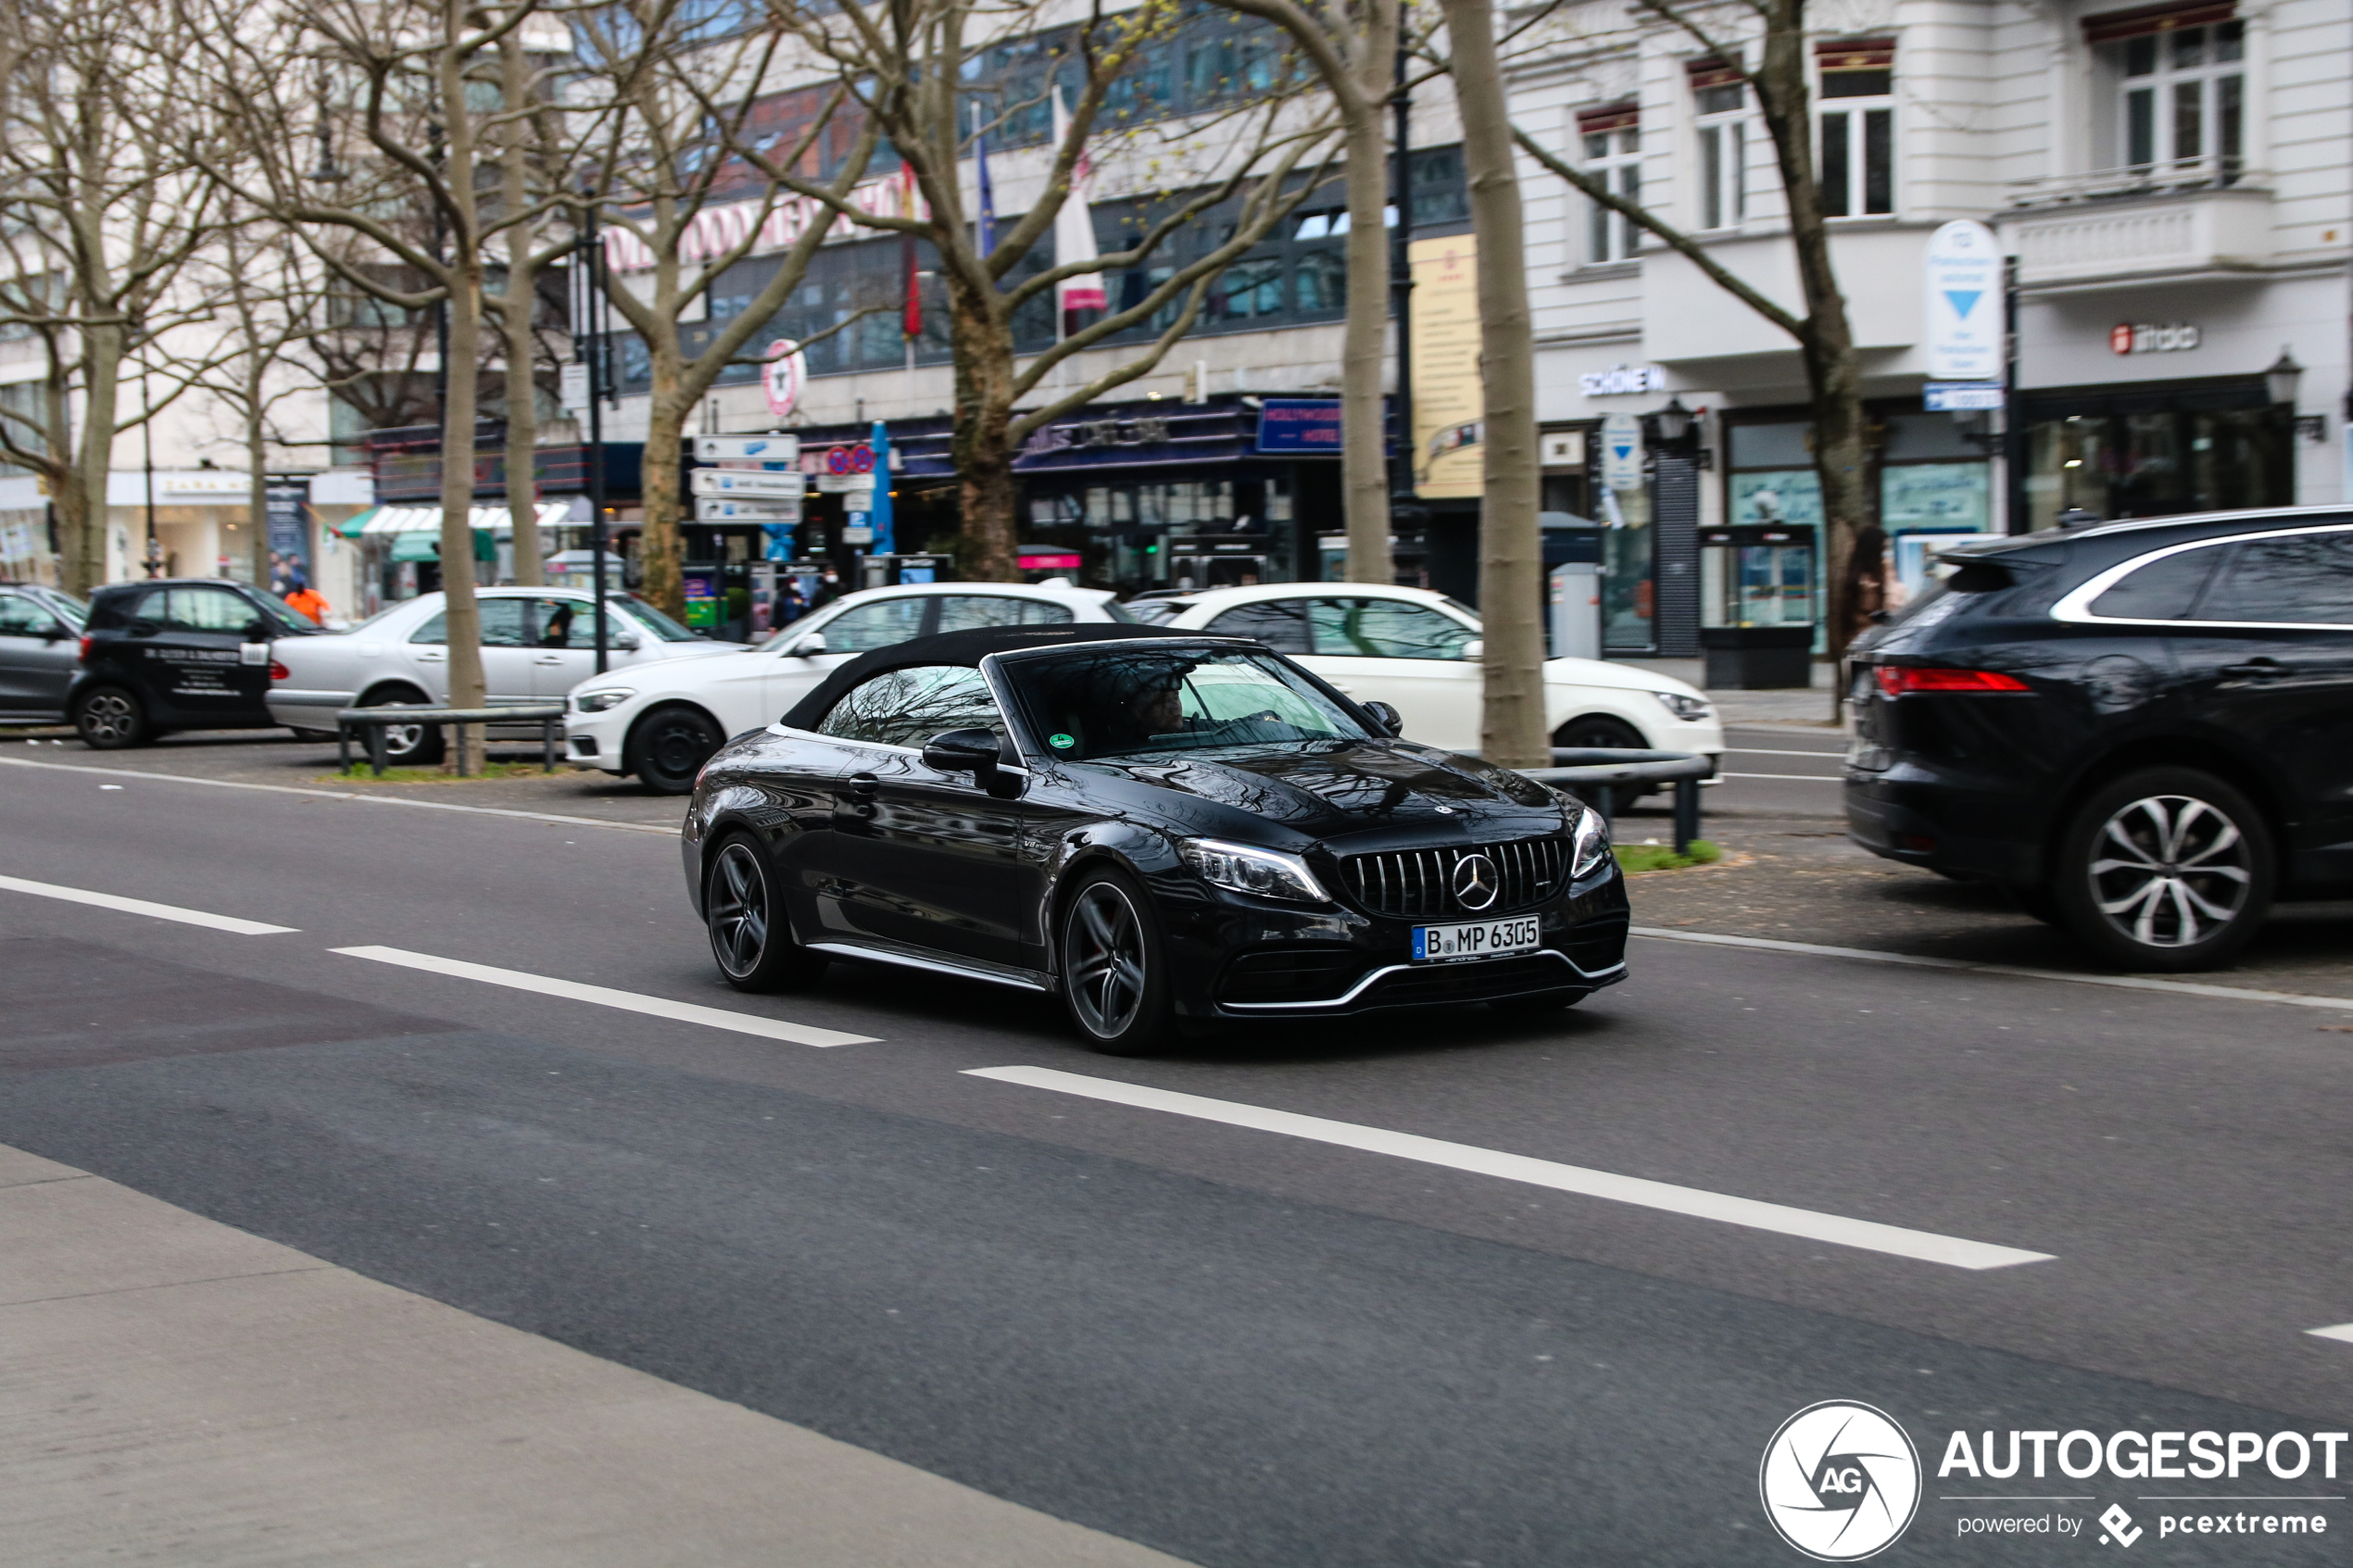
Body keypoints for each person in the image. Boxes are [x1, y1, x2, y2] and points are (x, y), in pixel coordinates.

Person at [1841, 525, 1895, 645]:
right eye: (1883, 550)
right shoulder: (1866, 582)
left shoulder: (1858, 574)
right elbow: (1871, 610)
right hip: (1867, 641)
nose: (1885, 555)